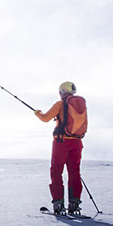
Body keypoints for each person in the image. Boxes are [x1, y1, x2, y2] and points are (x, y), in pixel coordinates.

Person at [34, 81, 88, 214]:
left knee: (56, 171)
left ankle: (58, 204)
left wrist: (38, 113)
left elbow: (46, 118)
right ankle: (74, 205)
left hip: (61, 142)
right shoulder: (80, 104)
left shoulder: (60, 104)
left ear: (62, 92)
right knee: (74, 172)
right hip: (77, 142)